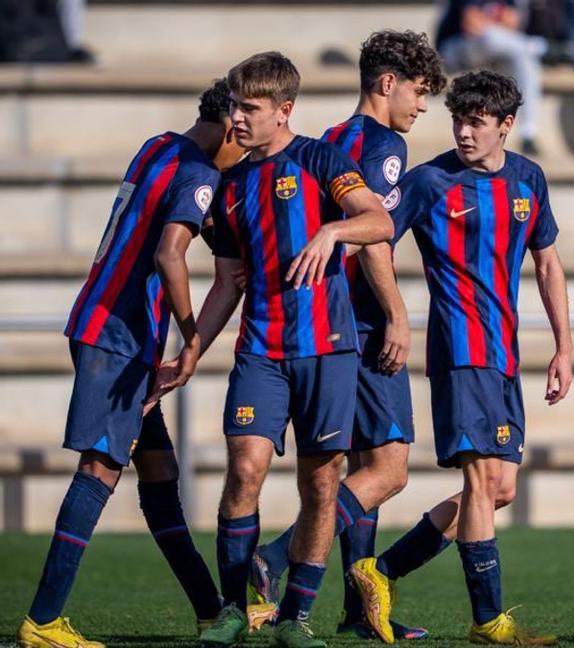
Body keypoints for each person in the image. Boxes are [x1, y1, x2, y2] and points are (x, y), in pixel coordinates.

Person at [16, 78, 248, 648]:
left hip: (109, 327)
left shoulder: (157, 144)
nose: (242, 150)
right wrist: (192, 337)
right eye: (239, 139)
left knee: (160, 475)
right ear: (224, 127)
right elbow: (170, 252)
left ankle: (209, 610)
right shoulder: (199, 173)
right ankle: (42, 622)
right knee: (100, 469)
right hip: (118, 336)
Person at [346, 70, 573, 646]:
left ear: (506, 125)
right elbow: (374, 239)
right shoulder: (429, 182)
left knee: (501, 489)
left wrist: (564, 347)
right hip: (459, 349)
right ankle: (488, 619)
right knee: (480, 482)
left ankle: (382, 570)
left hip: (503, 356)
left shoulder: (529, 179)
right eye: (458, 120)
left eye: (476, 122)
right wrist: (393, 315)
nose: (465, 133)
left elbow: (548, 264)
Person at [186, 51, 395, 648]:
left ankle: (294, 617)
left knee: (322, 484)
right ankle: (231, 608)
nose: (238, 119)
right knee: (244, 470)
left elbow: (376, 221)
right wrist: (193, 350)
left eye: (250, 108)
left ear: (285, 110)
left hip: (328, 351)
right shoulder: (230, 187)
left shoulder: (322, 159)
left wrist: (332, 230)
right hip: (261, 351)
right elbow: (227, 281)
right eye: (233, 106)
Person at [242, 30, 446, 642]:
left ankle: (359, 613)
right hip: (358, 323)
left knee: (358, 466)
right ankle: (275, 557)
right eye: (419, 91)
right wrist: (397, 315)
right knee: (390, 468)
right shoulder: (382, 145)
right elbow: (372, 237)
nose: (423, 106)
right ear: (387, 83)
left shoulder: (329, 139)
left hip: (324, 323)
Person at [436, 0, 546, 156]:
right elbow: (472, 25)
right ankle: (537, 47)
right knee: (491, 36)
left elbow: (513, 24)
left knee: (526, 62)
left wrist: (500, 22)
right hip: (455, 49)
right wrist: (498, 22)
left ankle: (528, 132)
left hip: (496, 52)